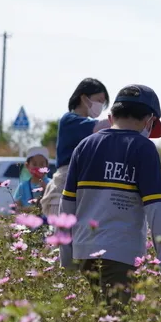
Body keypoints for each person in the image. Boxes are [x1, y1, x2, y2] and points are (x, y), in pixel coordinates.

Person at [59, 84, 161, 309]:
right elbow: (155, 209)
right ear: (149, 120)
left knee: (101, 314)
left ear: (112, 116)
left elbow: (66, 207)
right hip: (120, 251)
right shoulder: (144, 149)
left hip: (84, 250)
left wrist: (66, 257)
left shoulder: (84, 146)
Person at [41, 78, 111, 217]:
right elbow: (99, 126)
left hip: (82, 183)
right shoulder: (70, 119)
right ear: (84, 98)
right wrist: (124, 117)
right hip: (65, 183)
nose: (100, 105)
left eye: (103, 103)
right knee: (63, 234)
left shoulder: (89, 124)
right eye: (99, 100)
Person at [14, 146, 51, 211]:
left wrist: (46, 190)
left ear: (47, 166)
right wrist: (26, 210)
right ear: (27, 165)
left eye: (42, 164)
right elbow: (16, 207)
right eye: (34, 164)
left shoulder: (51, 184)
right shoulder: (22, 186)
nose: (38, 167)